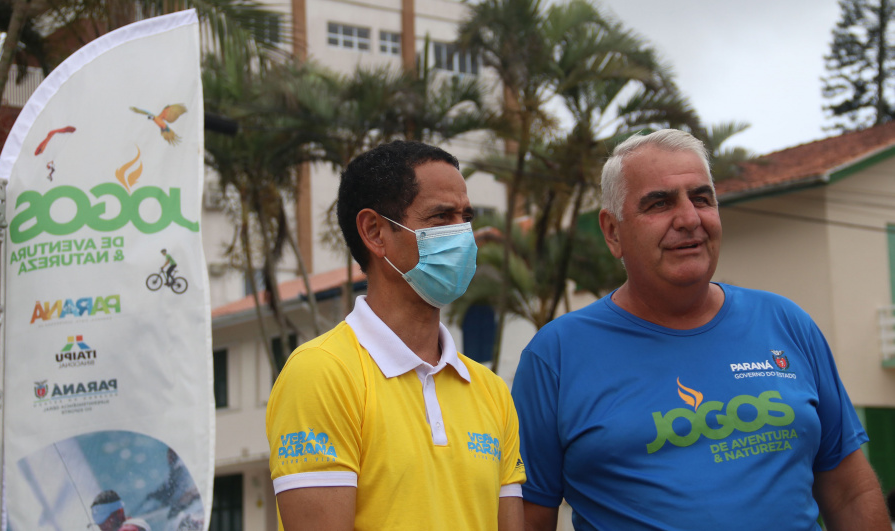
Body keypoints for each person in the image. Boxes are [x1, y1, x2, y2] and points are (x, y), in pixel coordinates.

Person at [512, 129, 889, 531]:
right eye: (659, 203)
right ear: (612, 231)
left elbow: (850, 493)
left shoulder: (786, 323)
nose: (689, 219)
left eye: (702, 198)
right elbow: (530, 518)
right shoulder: (555, 357)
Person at [266, 141, 526, 531]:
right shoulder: (322, 373)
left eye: (465, 217)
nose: (463, 236)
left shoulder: (490, 391)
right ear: (375, 232)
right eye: (441, 217)